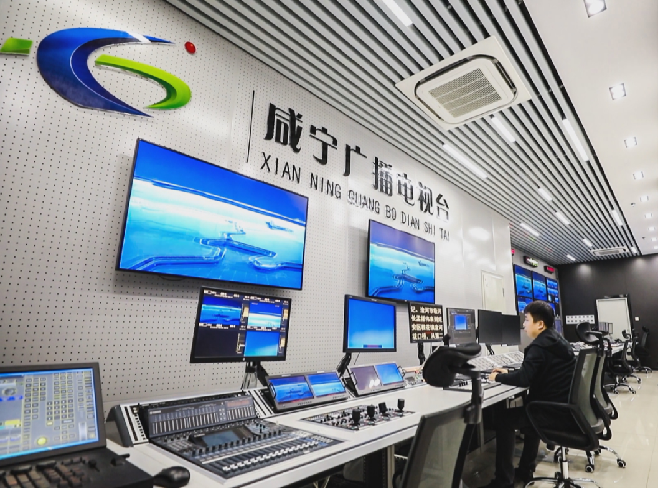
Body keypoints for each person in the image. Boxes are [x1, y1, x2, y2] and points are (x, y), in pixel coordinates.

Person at [481, 301, 576, 488]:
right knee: (528, 409)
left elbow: (524, 379)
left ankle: (503, 481)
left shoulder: (539, 346)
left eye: (526, 320)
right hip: (562, 408)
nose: (524, 325)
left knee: (504, 419)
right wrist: (510, 373)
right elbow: (534, 372)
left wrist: (497, 377)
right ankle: (525, 469)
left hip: (549, 412)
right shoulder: (557, 341)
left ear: (540, 324)